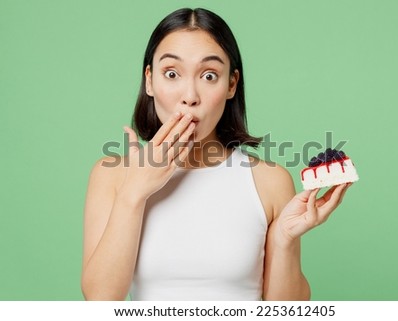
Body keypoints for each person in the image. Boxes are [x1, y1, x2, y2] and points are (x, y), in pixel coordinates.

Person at [81, 7, 351, 301]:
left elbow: (286, 311)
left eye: (209, 75)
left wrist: (284, 239)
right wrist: (133, 193)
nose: (190, 96)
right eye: (171, 73)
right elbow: (101, 300)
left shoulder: (270, 181)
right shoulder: (111, 175)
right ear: (149, 80)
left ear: (231, 85)